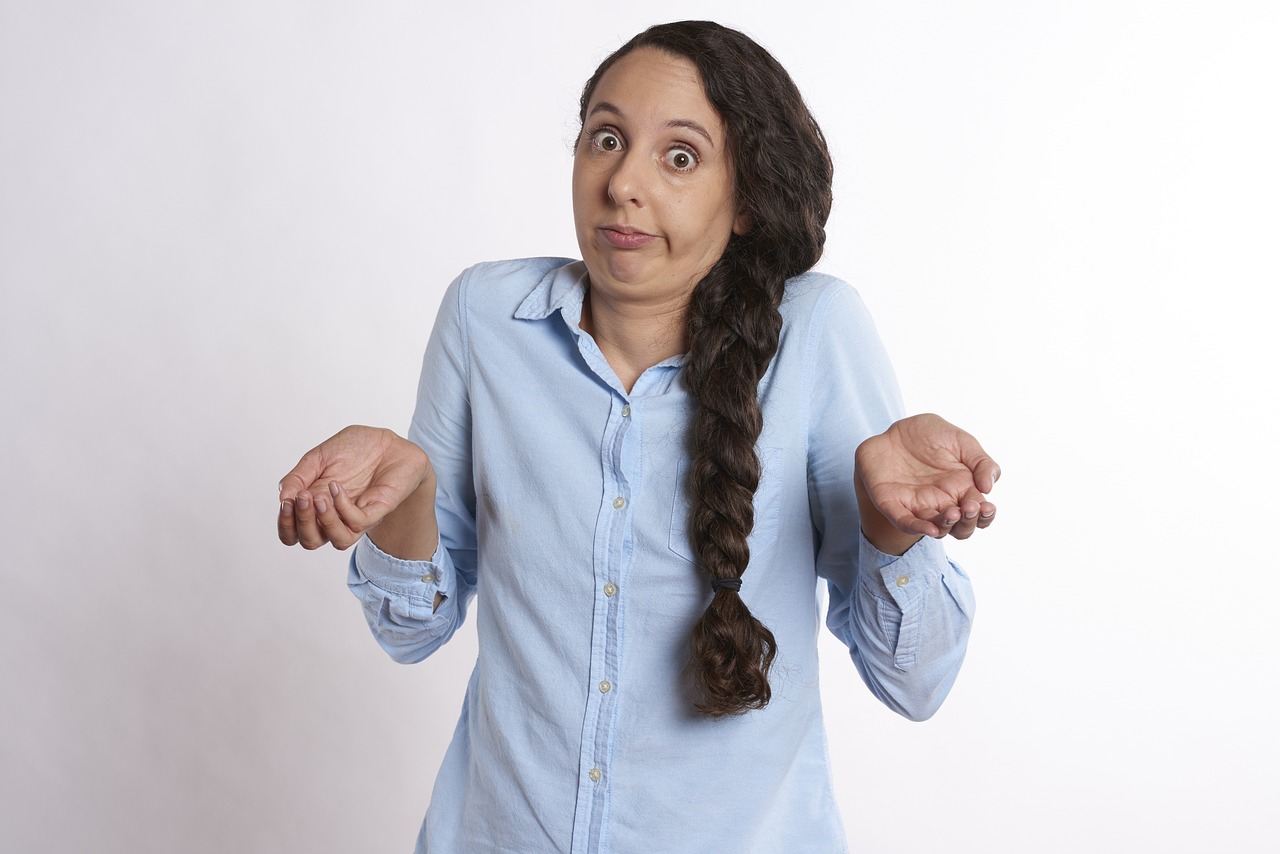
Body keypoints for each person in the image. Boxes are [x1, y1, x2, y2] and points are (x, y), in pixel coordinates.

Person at [277, 20, 998, 854]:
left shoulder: (816, 333)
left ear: (747, 200)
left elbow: (915, 686)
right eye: (606, 139)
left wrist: (893, 532)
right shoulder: (485, 318)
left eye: (680, 156)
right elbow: (411, 633)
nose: (622, 183)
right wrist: (407, 501)